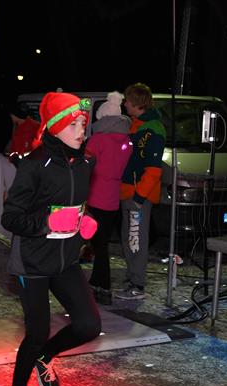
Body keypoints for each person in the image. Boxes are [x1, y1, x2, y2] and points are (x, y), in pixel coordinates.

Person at [0, 92, 101, 386]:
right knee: (37, 332)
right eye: (73, 125)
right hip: (32, 262)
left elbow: (76, 204)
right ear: (55, 126)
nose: (81, 131)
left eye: (83, 124)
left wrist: (84, 222)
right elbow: (10, 218)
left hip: (65, 260)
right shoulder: (34, 164)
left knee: (89, 325)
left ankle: (46, 357)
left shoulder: (86, 163)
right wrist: (47, 223)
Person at [115, 83, 166, 300]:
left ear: (136, 102)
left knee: (135, 240)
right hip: (129, 192)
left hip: (138, 196)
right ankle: (132, 280)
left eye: (127, 100)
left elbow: (153, 170)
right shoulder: (137, 125)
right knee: (129, 239)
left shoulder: (152, 129)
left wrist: (138, 197)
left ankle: (137, 285)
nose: (125, 103)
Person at [85, 91, 133, 305]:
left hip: (95, 195)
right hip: (113, 198)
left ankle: (103, 285)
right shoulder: (127, 141)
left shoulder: (97, 140)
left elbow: (86, 165)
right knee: (101, 241)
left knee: (97, 243)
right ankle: (97, 281)